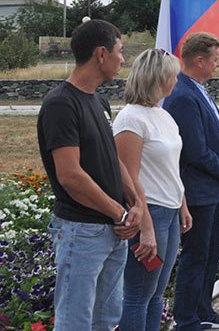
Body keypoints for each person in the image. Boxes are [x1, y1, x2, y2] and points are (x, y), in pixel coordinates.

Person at [37, 19, 143, 330]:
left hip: (112, 230)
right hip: (82, 232)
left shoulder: (98, 100)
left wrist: (135, 202)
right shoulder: (61, 104)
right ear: (101, 54)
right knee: (75, 321)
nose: (123, 59)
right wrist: (120, 213)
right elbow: (70, 175)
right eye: (120, 51)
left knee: (106, 320)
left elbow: (111, 158)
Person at [163, 32, 219, 331]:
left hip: (211, 187)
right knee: (196, 257)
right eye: (216, 59)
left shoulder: (199, 89)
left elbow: (215, 134)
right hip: (196, 189)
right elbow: (194, 150)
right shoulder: (182, 95)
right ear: (199, 60)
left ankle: (204, 309)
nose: (218, 65)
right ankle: (187, 319)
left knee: (210, 253)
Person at [113, 48, 191, 331]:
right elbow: (129, 180)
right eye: (172, 75)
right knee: (138, 295)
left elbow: (171, 165)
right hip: (150, 213)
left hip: (169, 211)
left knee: (156, 293)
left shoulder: (162, 114)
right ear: (158, 77)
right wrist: (145, 227)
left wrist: (182, 204)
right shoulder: (131, 119)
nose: (175, 81)